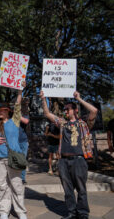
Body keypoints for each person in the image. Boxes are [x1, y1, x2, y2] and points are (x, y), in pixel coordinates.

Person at [40, 90, 97, 219]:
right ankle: (71, 212)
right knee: (67, 189)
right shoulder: (62, 123)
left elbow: (94, 111)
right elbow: (47, 113)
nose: (65, 111)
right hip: (63, 160)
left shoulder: (84, 123)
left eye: (68, 109)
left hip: (79, 160)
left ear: (75, 110)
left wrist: (80, 99)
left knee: (81, 189)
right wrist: (44, 99)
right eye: (64, 109)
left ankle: (83, 213)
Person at [0, 81, 27, 219]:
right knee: (2, 186)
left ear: (7, 111)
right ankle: (4, 211)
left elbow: (17, 106)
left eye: (2, 109)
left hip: (12, 158)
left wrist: (20, 91)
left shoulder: (14, 121)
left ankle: (21, 212)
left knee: (16, 185)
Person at [19, 116, 29, 184]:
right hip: (13, 142)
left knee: (22, 160)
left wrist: (17, 115)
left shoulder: (24, 115)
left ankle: (22, 178)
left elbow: (26, 121)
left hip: (23, 142)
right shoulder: (9, 117)